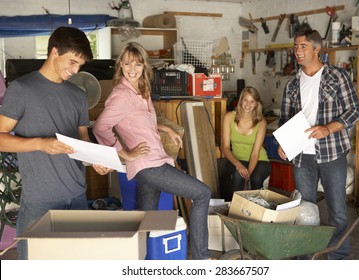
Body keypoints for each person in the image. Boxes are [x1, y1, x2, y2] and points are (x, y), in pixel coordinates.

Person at [92, 42, 213, 260]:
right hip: (149, 165)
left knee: (147, 218)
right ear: (120, 64)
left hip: (155, 160)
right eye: (127, 63)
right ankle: (202, 258)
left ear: (143, 65)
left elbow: (142, 119)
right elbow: (100, 126)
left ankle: (142, 263)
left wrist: (166, 127)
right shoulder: (121, 95)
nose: (132, 69)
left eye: (137, 64)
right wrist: (124, 153)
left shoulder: (141, 89)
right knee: (202, 193)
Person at [0, 26, 111, 260]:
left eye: (80, 65)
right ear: (54, 51)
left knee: (74, 267)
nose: (75, 70)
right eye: (72, 62)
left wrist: (96, 160)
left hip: (78, 195)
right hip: (40, 199)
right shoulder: (21, 90)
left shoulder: (78, 95)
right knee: (33, 268)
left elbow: (82, 141)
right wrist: (41, 144)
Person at [278, 29, 359, 260]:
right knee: (305, 210)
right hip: (301, 156)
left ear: (317, 49)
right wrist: (284, 143)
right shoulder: (293, 84)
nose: (297, 51)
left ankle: (338, 258)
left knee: (337, 210)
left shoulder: (336, 77)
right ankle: (306, 257)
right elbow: (284, 119)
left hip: (332, 153)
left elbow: (355, 110)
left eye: (303, 46)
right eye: (295, 46)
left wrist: (328, 128)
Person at [221, 86, 271, 201]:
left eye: (252, 101)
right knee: (239, 176)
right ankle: (235, 210)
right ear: (241, 101)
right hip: (236, 159)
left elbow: (255, 153)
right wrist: (238, 164)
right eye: (245, 100)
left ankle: (257, 210)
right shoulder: (229, 117)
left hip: (259, 160)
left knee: (256, 179)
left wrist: (248, 174)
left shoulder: (261, 122)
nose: (248, 105)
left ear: (256, 104)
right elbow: (225, 147)